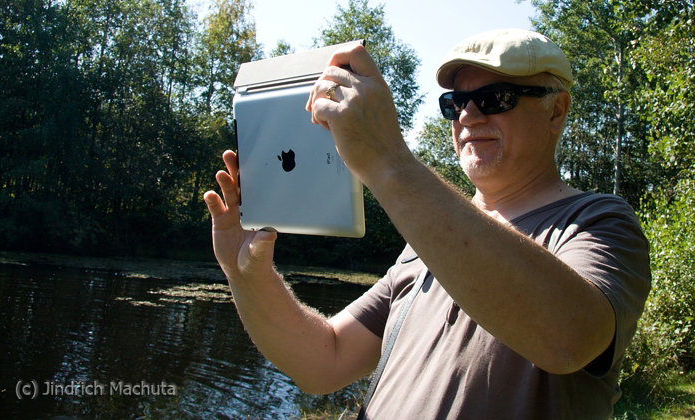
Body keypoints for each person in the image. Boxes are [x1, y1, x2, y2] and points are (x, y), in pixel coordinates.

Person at [203, 28, 651, 419]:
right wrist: (247, 276)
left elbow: (568, 340)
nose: (468, 115)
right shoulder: (427, 236)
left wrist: (387, 160)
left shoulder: (597, 222)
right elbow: (324, 360)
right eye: (456, 103)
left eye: (496, 98)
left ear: (556, 111)